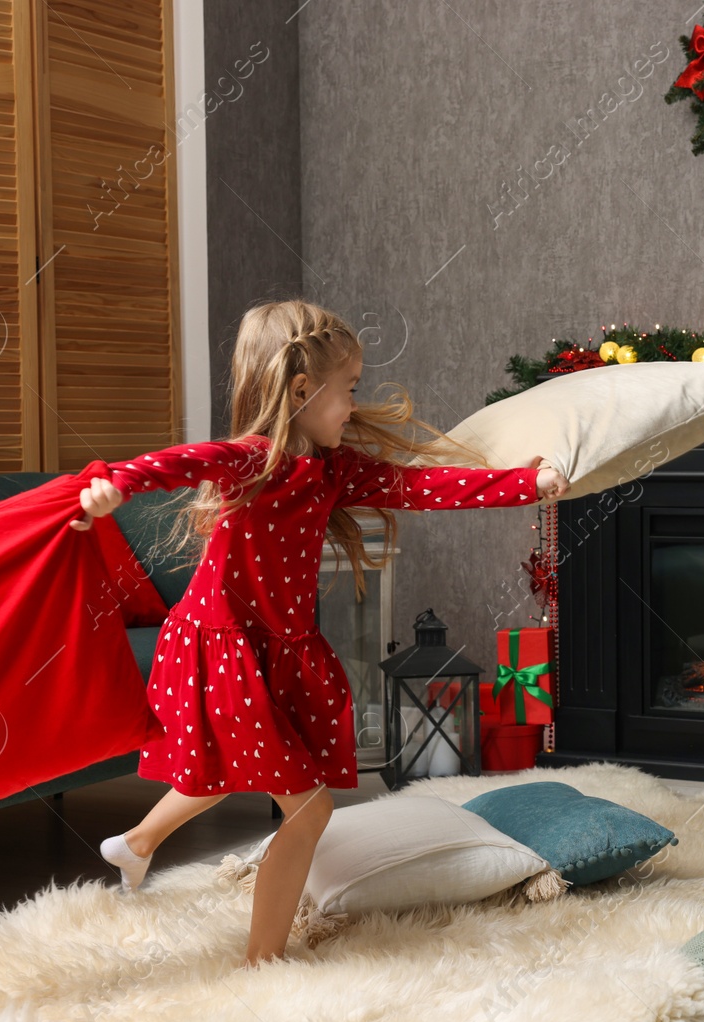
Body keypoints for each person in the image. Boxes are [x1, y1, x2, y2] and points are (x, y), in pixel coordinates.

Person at [76, 299, 569, 966]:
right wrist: (116, 484)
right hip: (221, 649)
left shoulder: (336, 470)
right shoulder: (252, 459)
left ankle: (135, 844)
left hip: (275, 650)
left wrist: (525, 484)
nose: (353, 405)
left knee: (227, 772)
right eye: (350, 389)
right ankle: (262, 961)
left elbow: (423, 486)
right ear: (304, 391)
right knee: (309, 810)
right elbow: (183, 461)